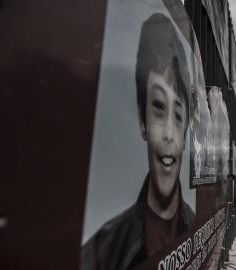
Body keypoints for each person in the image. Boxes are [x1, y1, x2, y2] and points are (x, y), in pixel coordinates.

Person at [80, 13, 195, 270]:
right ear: (142, 120)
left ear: (186, 131)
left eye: (177, 114)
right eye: (158, 107)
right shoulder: (100, 254)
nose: (168, 133)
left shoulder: (197, 225)